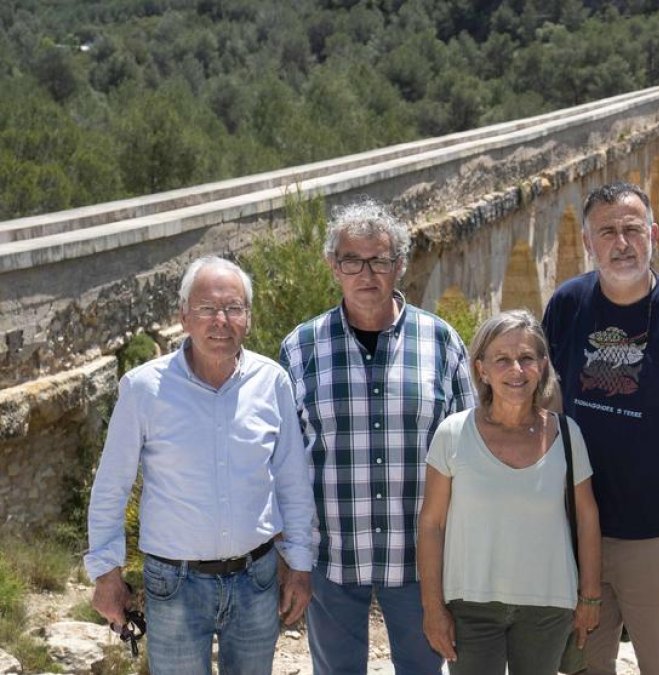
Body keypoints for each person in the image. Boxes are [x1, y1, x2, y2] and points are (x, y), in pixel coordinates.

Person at [85, 256, 315, 674]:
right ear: (184, 317)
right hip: (174, 585)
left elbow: (292, 481)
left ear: (248, 317)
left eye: (233, 308)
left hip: (257, 579)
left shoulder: (273, 381)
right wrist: (106, 575)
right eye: (207, 309)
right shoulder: (143, 389)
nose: (220, 321)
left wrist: (299, 566)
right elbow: (111, 488)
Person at [280, 196, 476, 675]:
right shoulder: (300, 348)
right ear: (333, 266)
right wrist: (291, 555)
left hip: (422, 562)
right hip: (332, 558)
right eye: (352, 261)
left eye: (380, 261)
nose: (367, 274)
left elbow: (470, 450)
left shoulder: (441, 341)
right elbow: (282, 461)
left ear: (400, 265)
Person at [542, 181, 659, 675]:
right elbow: (545, 401)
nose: (621, 244)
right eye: (607, 232)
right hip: (580, 532)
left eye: (631, 229)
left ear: (654, 235)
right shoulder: (565, 305)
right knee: (583, 665)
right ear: (587, 243)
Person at [417, 309, 602, 675]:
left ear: (543, 365)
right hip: (470, 604)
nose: (515, 370)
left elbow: (587, 519)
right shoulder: (453, 434)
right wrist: (432, 607)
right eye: (501, 359)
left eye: (526, 358)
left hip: (548, 605)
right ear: (481, 369)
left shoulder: (567, 435)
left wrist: (590, 598)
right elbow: (431, 525)